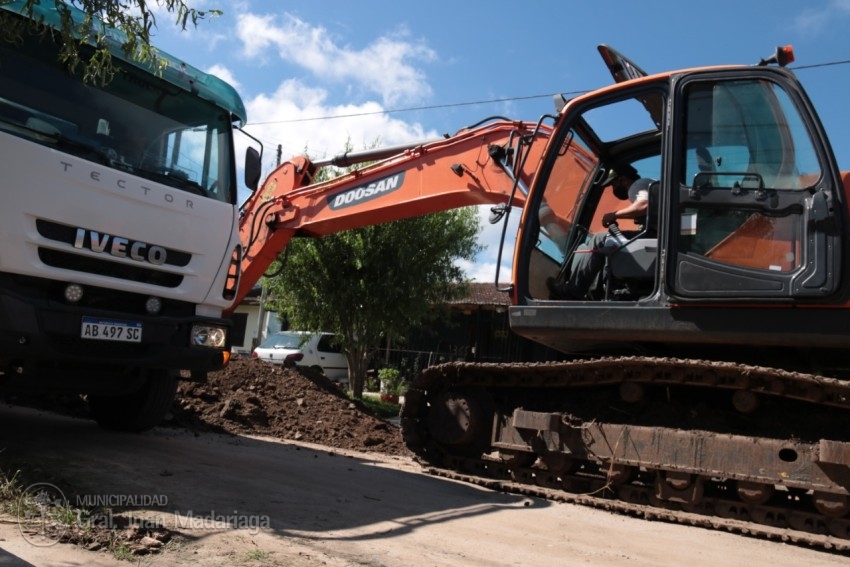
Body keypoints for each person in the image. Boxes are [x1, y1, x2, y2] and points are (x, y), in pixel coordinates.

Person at [548, 164, 655, 300]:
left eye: (614, 184)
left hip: (656, 237)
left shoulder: (638, 185)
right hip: (657, 236)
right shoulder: (650, 185)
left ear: (624, 180)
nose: (613, 189)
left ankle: (572, 291)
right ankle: (597, 291)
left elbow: (644, 205)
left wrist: (615, 215)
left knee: (599, 239)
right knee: (606, 244)